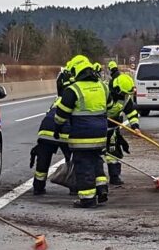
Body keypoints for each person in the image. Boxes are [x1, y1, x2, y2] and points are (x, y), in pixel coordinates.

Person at [53, 54, 109, 208]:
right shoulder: (103, 86)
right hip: (101, 134)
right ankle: (102, 189)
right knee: (96, 160)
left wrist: (57, 129)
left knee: (84, 166)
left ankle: (87, 199)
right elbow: (110, 107)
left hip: (82, 136)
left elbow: (61, 115)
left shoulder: (73, 90)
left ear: (76, 71)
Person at [30, 61, 75, 196]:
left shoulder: (57, 100)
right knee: (73, 159)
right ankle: (74, 186)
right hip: (64, 131)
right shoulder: (74, 98)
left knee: (43, 161)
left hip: (45, 131)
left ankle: (38, 187)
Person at [105, 70, 140, 187]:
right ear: (117, 89)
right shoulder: (104, 93)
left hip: (112, 129)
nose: (125, 96)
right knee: (94, 154)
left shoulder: (125, 98)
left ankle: (114, 176)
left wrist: (135, 127)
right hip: (98, 128)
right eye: (124, 93)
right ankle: (93, 179)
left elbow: (131, 113)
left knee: (113, 153)